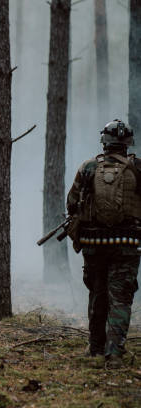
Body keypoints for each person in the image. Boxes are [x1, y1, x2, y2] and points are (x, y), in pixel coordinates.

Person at [66, 119, 141, 369]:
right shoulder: (138, 168)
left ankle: (96, 349)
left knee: (97, 294)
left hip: (94, 244)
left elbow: (72, 203)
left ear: (104, 142)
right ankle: (115, 354)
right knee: (120, 298)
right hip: (127, 244)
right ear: (127, 143)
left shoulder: (88, 167)